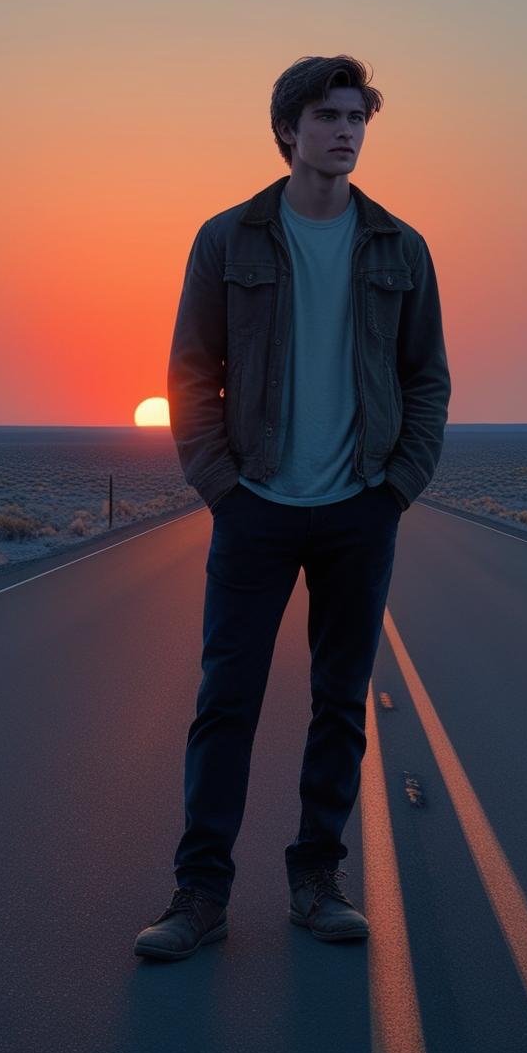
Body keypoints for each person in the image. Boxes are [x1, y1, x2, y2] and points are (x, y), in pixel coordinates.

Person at [134, 55, 451, 960]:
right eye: (327, 115)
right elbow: (191, 374)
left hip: (360, 506)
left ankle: (316, 881)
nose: (346, 131)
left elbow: (426, 378)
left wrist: (398, 487)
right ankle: (200, 895)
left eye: (357, 117)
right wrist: (223, 488)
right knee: (225, 701)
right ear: (287, 130)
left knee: (339, 703)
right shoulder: (228, 240)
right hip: (257, 507)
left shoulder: (400, 246)